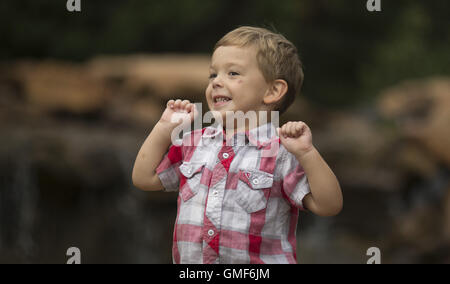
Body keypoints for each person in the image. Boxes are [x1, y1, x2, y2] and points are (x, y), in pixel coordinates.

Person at [132, 26, 343, 264]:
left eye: (232, 73)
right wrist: (163, 128)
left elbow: (328, 205)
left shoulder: (282, 150)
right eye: (213, 75)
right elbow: (144, 178)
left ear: (273, 90)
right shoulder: (194, 143)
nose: (217, 82)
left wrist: (307, 153)